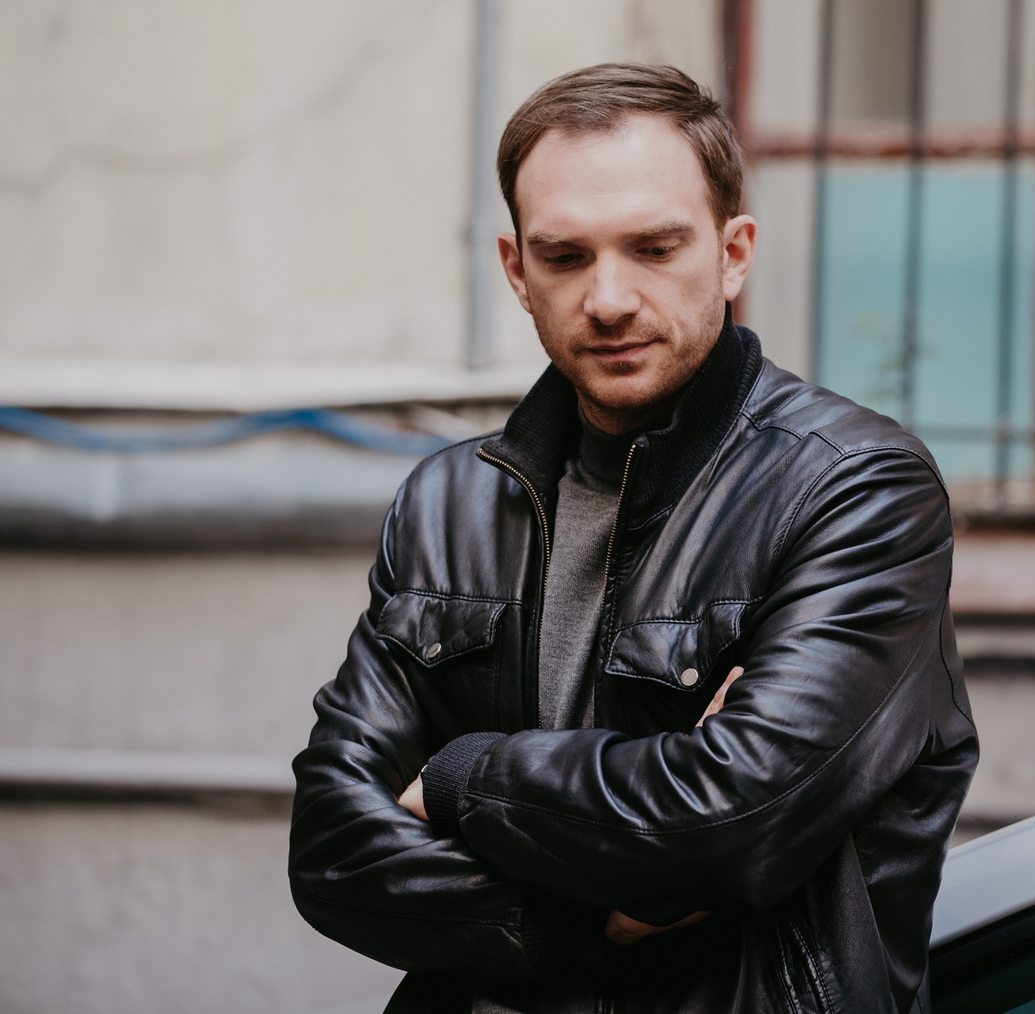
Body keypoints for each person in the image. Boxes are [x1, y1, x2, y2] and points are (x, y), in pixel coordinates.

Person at [289, 63, 979, 1014]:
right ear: (516, 271)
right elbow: (331, 848)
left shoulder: (852, 488)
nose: (608, 298)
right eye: (565, 257)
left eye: (654, 248)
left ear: (733, 253)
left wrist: (460, 777)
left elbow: (726, 819)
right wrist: (577, 926)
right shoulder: (450, 502)